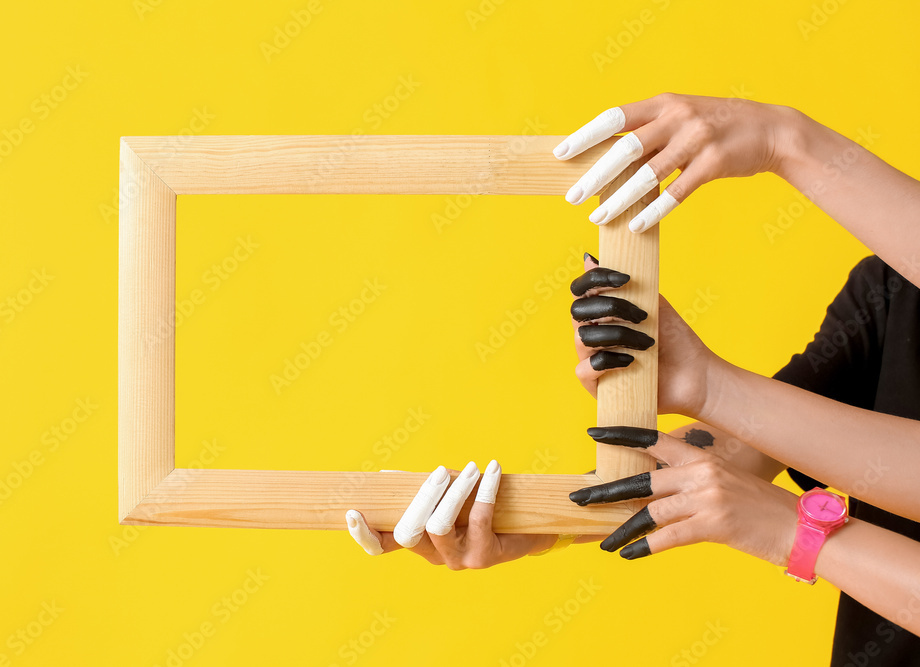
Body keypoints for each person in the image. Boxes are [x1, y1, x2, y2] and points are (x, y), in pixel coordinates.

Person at [344, 94, 920, 661]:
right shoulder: (891, 289)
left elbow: (747, 490)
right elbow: (748, 448)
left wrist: (785, 138)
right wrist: (548, 513)